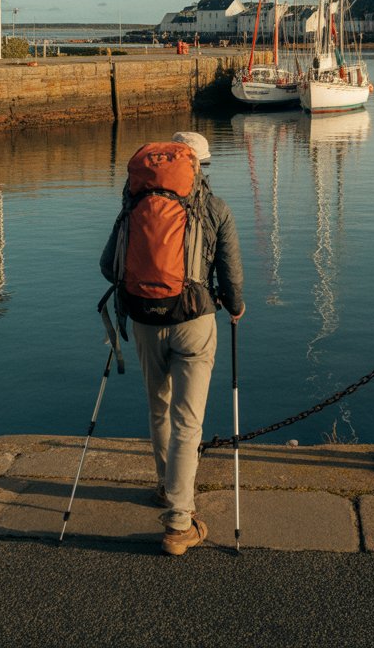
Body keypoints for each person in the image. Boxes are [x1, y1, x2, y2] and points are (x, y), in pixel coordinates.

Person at [100, 130, 245, 556]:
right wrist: (234, 306)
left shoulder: (134, 204)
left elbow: (109, 266)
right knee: (188, 421)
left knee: (158, 407)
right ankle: (180, 521)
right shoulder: (216, 208)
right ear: (200, 166)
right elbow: (231, 278)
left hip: (144, 320)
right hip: (195, 322)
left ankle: (166, 488)